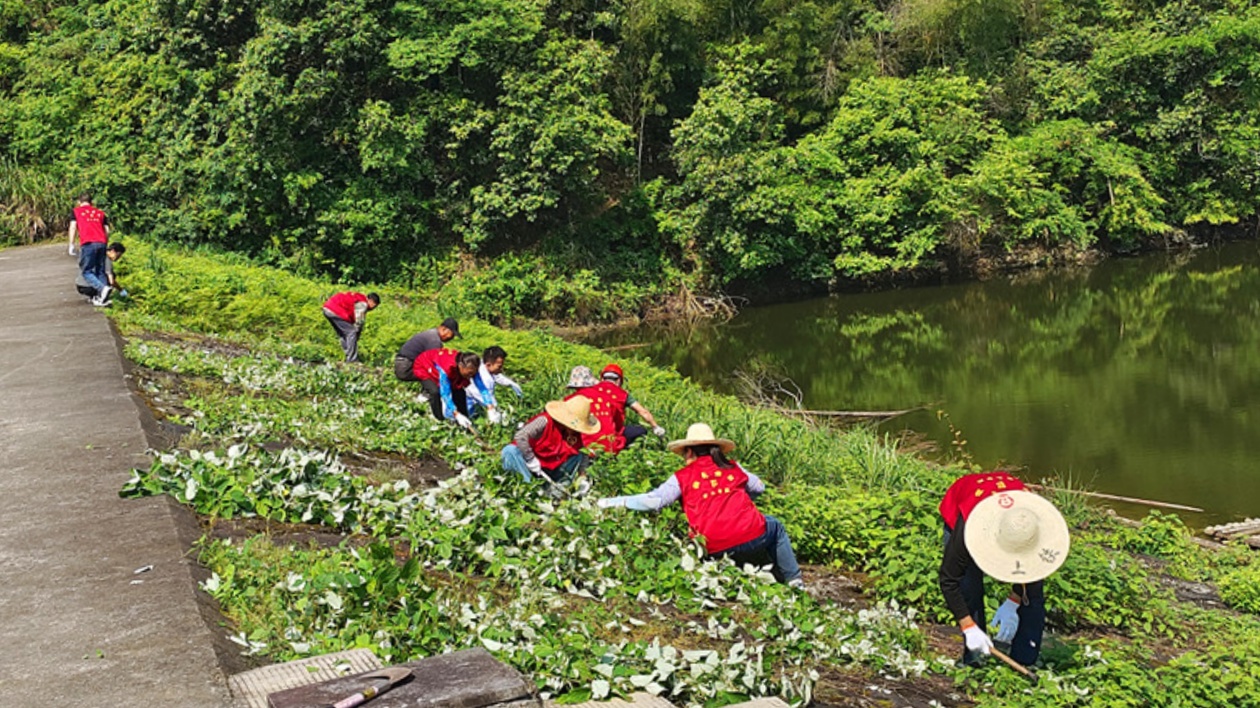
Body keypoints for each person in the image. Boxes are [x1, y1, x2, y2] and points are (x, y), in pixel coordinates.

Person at [597, 423, 805, 589]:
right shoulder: (732, 467)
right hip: (751, 533)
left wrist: (611, 502)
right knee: (774, 526)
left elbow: (654, 501)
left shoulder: (682, 477)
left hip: (711, 545)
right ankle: (794, 581)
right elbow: (760, 487)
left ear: (689, 452)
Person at [938, 471, 1070, 668]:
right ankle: (975, 657)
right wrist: (968, 626)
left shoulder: (1030, 521)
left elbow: (1032, 570)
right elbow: (949, 579)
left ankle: (1025, 660)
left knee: (1032, 593)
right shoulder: (969, 527)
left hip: (1012, 504)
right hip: (967, 502)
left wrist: (1014, 600)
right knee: (969, 586)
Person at [501, 395, 600, 495]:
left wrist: (582, 477)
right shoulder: (544, 421)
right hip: (530, 465)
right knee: (509, 451)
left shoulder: (574, 434)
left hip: (553, 469)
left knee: (578, 455)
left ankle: (557, 490)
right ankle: (529, 489)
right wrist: (530, 458)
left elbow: (583, 453)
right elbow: (521, 436)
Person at [566, 364, 665, 454]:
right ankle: (630, 454)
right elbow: (643, 412)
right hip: (611, 441)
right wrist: (656, 427)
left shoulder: (574, 399)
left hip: (585, 444)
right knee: (640, 431)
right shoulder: (620, 394)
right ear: (619, 380)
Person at [412, 348, 484, 429]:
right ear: (461, 366)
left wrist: (490, 406)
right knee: (435, 392)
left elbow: (480, 384)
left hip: (444, 369)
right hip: (424, 365)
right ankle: (439, 419)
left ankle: (465, 421)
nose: (471, 376)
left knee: (460, 392)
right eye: (470, 373)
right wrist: (456, 413)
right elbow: (445, 394)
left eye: (474, 373)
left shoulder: (471, 367)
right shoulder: (446, 369)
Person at [68, 193, 112, 304]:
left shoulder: (76, 212)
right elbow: (107, 230)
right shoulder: (100, 213)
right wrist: (105, 243)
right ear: (91, 202)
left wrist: (71, 244)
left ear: (79, 202)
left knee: (86, 271)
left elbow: (73, 227)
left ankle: (102, 289)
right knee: (100, 270)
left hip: (88, 242)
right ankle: (102, 298)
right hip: (101, 242)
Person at [466, 346, 524, 424]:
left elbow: (498, 376)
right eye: (499, 366)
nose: (501, 369)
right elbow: (488, 398)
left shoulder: (485, 366)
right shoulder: (484, 377)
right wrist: (496, 412)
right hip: (468, 407)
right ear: (488, 364)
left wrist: (512, 384)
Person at [322, 291, 380, 363]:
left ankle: (347, 355)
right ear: (371, 301)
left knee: (343, 333)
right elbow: (359, 322)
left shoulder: (357, 298)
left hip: (327, 308)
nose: (373, 309)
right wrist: (357, 334)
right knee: (351, 332)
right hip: (335, 310)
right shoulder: (363, 304)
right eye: (374, 306)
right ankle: (352, 360)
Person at [394, 318, 460, 381]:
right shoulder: (434, 340)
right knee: (434, 374)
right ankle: (428, 392)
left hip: (403, 363)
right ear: (443, 329)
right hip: (406, 366)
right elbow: (436, 362)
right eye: (452, 334)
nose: (452, 338)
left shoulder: (431, 334)